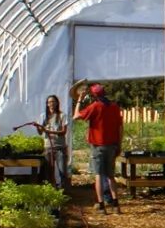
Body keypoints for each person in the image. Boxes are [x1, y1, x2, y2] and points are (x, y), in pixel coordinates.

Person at [74, 83, 123, 212]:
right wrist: (119, 144)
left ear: (94, 95)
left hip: (98, 146)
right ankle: (116, 205)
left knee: (98, 175)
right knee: (111, 176)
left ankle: (101, 205)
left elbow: (76, 116)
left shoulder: (95, 106)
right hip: (112, 145)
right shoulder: (114, 107)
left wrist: (79, 99)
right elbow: (120, 127)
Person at [30, 95, 69, 189]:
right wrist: (38, 127)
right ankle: (53, 188)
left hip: (60, 147)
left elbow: (63, 132)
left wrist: (49, 131)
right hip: (48, 147)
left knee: (62, 171)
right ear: (47, 104)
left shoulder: (62, 115)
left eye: (53, 101)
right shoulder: (43, 116)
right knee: (49, 171)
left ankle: (63, 190)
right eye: (49, 102)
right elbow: (40, 133)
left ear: (57, 103)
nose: (51, 104)